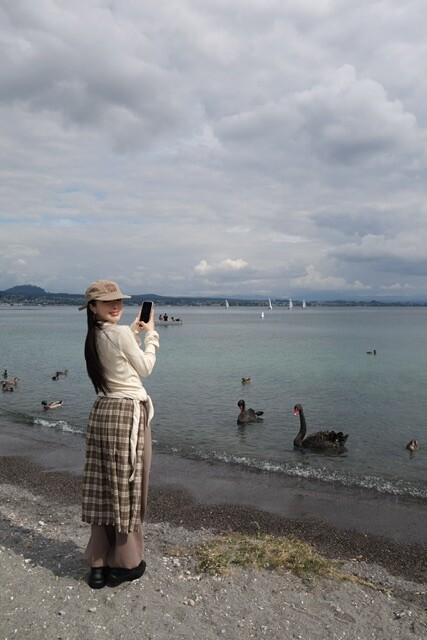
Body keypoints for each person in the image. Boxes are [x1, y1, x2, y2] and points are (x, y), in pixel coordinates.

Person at [79, 279, 160, 589]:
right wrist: (151, 335)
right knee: (129, 489)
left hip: (102, 413)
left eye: (119, 301)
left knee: (103, 489)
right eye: (108, 301)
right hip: (127, 415)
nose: (116, 306)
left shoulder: (94, 335)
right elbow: (145, 367)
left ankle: (98, 563)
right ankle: (125, 564)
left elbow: (118, 348)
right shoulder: (118, 333)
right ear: (92, 307)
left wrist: (134, 331)